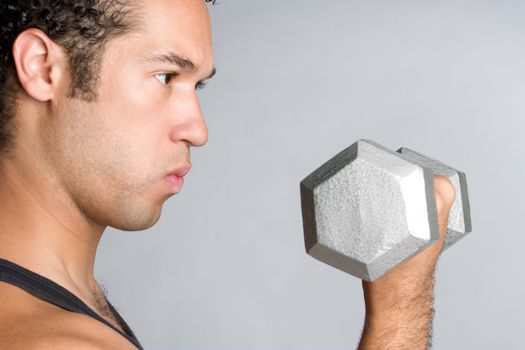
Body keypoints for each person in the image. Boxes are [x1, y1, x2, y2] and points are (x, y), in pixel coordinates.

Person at [0, 0, 456, 349]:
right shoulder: (54, 341)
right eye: (164, 77)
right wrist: (401, 303)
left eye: (197, 85)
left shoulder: (57, 302)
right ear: (42, 68)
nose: (197, 130)